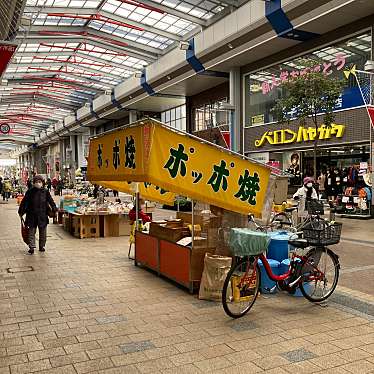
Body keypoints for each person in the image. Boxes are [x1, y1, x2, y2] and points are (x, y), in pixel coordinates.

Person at [18, 175, 57, 254]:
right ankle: (31, 247)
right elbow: (24, 202)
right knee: (31, 232)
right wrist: (21, 211)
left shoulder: (45, 191)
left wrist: (54, 208)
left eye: (39, 182)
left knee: (43, 232)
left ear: (42, 183)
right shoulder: (30, 191)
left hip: (42, 215)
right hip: (31, 215)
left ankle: (41, 246)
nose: (38, 183)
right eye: (36, 182)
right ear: (34, 183)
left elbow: (51, 201)